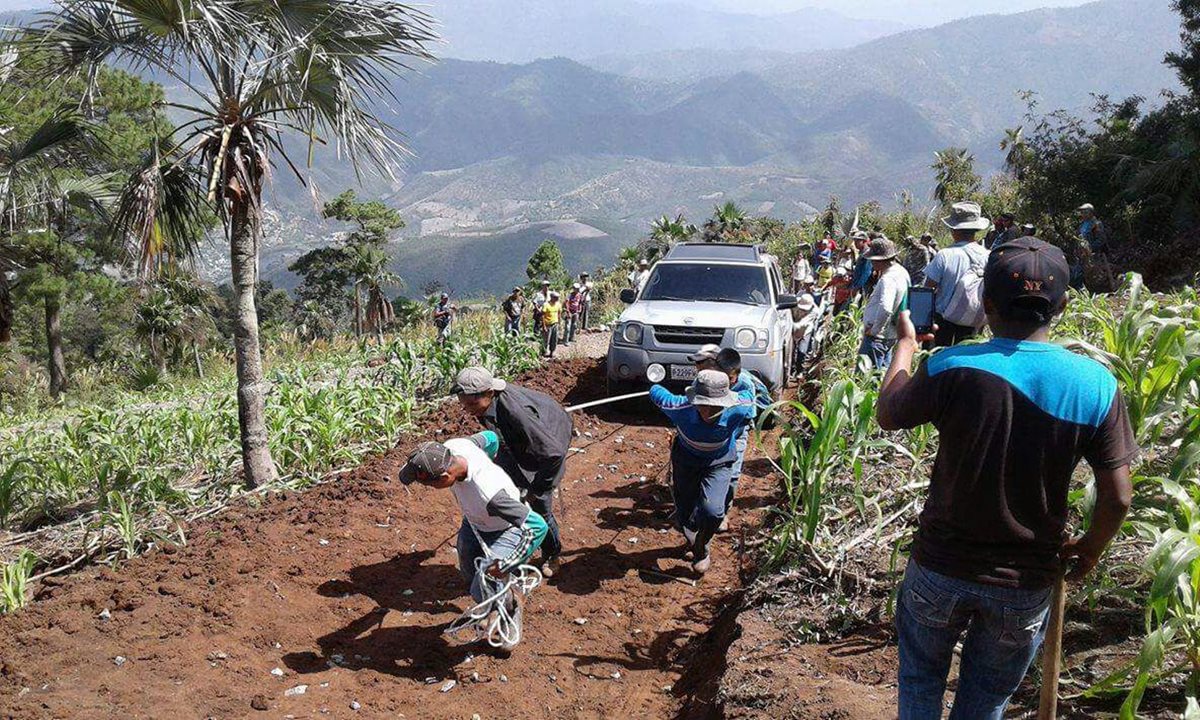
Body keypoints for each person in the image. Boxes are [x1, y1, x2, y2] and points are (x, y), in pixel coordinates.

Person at [876, 237, 1136, 720]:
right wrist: (1090, 548)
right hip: (1024, 580)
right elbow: (1118, 497)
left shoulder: (953, 365)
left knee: (919, 681)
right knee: (987, 698)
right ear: (1062, 305)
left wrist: (906, 346)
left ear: (985, 305)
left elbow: (888, 413)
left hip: (940, 566)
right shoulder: (1096, 383)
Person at [399, 432, 548, 652]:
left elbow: (537, 526)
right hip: (475, 521)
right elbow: (491, 438)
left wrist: (507, 563)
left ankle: (510, 603)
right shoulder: (455, 446)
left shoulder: (490, 494)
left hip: (506, 529)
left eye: (429, 485)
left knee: (487, 576)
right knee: (468, 567)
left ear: (444, 478)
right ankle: (492, 599)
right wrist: (492, 461)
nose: (429, 490)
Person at [454, 367, 574, 578]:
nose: (467, 409)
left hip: (546, 453)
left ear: (490, 393)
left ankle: (552, 553)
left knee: (539, 511)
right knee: (512, 497)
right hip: (520, 448)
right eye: (463, 404)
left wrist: (537, 490)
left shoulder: (516, 413)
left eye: (472, 404)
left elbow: (553, 454)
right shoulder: (486, 405)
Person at [650, 370, 754, 575]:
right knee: (685, 514)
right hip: (686, 461)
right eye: (702, 404)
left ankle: (701, 548)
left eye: (713, 406)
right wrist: (653, 383)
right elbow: (656, 391)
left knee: (713, 511)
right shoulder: (679, 407)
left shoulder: (739, 408)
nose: (707, 411)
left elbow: (751, 395)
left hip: (719, 462)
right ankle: (693, 538)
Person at [714, 348, 771, 532]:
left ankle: (723, 512)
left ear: (736, 374)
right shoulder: (712, 380)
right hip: (716, 431)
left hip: (737, 431)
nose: (726, 384)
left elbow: (746, 418)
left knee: (732, 475)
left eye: (729, 380)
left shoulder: (746, 385)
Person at [924, 201, 991, 347]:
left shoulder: (944, 255)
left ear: (953, 230)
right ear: (976, 230)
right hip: (973, 320)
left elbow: (928, 288)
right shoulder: (988, 256)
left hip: (944, 321)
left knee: (938, 358)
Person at [859, 238, 911, 369]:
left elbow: (886, 308)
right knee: (881, 372)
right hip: (890, 334)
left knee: (866, 376)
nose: (871, 262)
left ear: (879, 260)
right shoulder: (901, 271)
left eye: (873, 259)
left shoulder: (888, 279)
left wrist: (875, 330)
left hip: (878, 338)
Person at [1078, 203, 1115, 289]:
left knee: (1097, 273)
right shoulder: (1082, 224)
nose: (1082, 214)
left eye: (1084, 212)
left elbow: (1101, 240)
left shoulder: (1096, 224)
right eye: (1082, 212)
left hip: (1095, 254)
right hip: (1083, 254)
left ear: (1090, 213)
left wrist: (1091, 248)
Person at [849, 231, 874, 301]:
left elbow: (866, 273)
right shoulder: (862, 253)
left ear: (864, 241)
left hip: (863, 287)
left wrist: (857, 287)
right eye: (854, 241)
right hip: (857, 284)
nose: (855, 243)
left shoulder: (867, 254)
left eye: (857, 241)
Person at [541, 290, 563, 357]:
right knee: (546, 340)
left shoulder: (558, 304)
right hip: (548, 324)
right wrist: (544, 326)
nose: (557, 299)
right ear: (551, 297)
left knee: (554, 339)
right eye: (555, 297)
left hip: (555, 324)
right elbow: (542, 316)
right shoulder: (546, 305)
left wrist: (559, 323)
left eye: (558, 297)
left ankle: (552, 352)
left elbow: (559, 313)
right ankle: (543, 352)